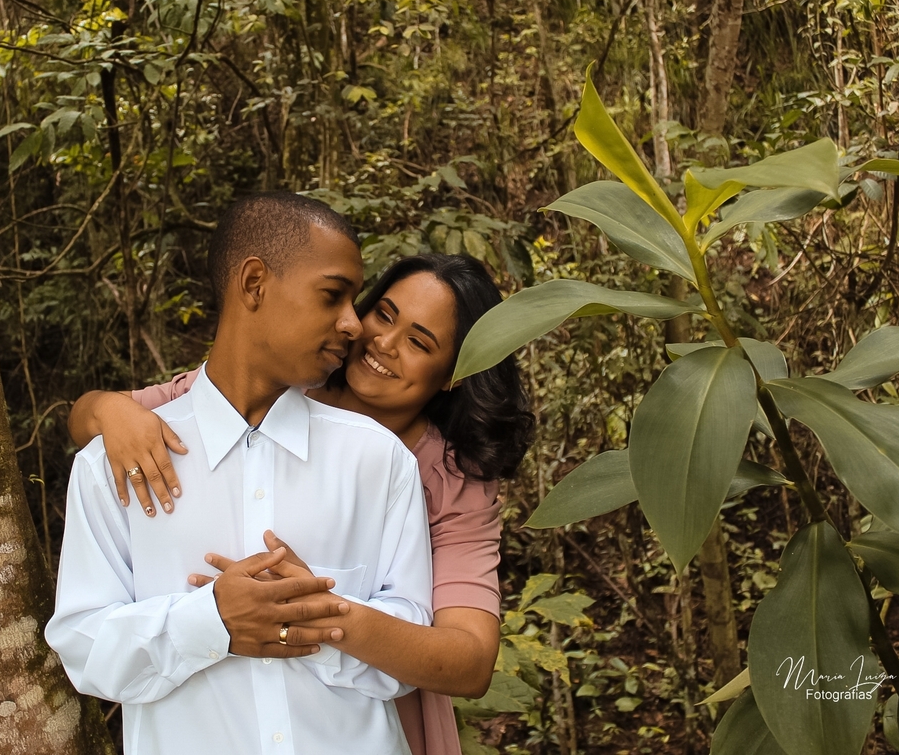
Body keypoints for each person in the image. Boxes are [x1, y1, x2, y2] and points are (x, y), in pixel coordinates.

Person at [69, 252, 536, 755]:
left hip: (377, 716)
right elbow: (105, 422)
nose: (384, 343)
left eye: (419, 342)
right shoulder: (272, 387)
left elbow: (469, 660)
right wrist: (108, 408)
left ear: (455, 374)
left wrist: (313, 610)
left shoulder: (449, 480)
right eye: (383, 315)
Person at [46, 193, 435, 755]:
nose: (354, 324)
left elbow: (412, 646)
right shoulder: (110, 467)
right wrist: (210, 621)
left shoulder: (378, 460)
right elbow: (85, 650)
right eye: (333, 295)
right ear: (254, 284)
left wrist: (314, 615)